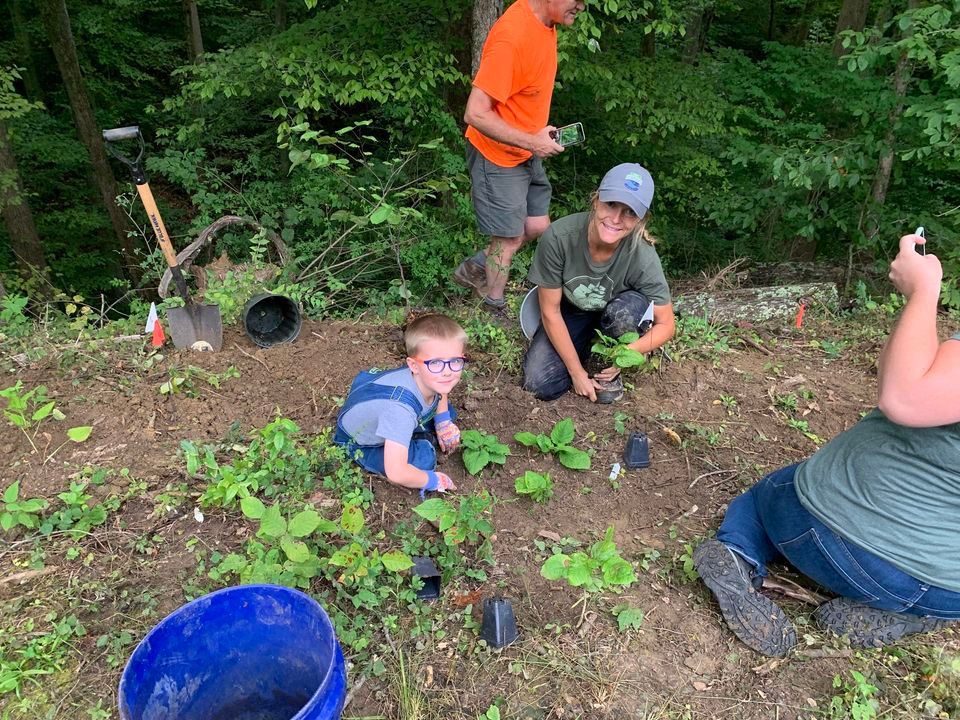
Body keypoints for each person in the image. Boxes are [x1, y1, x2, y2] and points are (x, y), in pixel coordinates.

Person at [694, 231, 960, 657]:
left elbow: (901, 397)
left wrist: (924, 292)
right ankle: (903, 613)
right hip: (936, 584)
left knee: (768, 496)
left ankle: (737, 552)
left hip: (815, 524)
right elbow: (904, 372)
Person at [452, 0, 586, 316]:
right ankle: (493, 307)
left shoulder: (546, 23)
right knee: (509, 238)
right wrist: (531, 140)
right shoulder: (512, 37)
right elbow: (474, 113)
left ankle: (479, 264)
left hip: (526, 147)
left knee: (538, 225)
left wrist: (536, 137)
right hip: (497, 154)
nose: (581, 6)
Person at [522, 163, 675, 403]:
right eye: (610, 204)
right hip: (572, 310)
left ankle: (608, 366)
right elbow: (550, 310)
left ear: (640, 219)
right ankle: (583, 351)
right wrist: (576, 373)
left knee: (624, 312)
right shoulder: (559, 238)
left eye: (629, 212)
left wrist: (625, 354)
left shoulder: (642, 255)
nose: (616, 219)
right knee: (539, 383)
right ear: (596, 199)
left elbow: (666, 325)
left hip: (621, 311)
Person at [334, 314, 466, 495]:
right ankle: (419, 438)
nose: (447, 372)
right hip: (358, 440)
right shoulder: (400, 412)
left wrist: (443, 421)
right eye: (435, 363)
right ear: (413, 365)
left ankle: (415, 433)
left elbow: (441, 390)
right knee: (422, 460)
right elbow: (397, 472)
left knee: (447, 412)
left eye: (455, 361)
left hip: (378, 400)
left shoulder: (431, 378)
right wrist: (433, 480)